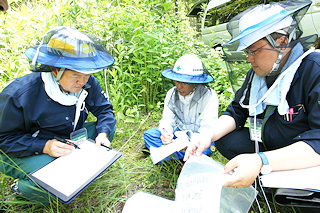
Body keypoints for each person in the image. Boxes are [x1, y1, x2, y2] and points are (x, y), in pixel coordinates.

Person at [184, 0, 320, 194]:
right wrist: (207, 136)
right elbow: (237, 110)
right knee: (225, 138)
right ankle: (263, 184)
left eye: (254, 50)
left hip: (306, 156)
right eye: (247, 51)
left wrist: (261, 160)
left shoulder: (314, 71)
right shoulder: (257, 74)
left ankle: (289, 191)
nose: (249, 58)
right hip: (270, 145)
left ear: (281, 41)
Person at [0, 26, 116, 204]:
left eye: (87, 75)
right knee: (53, 191)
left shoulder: (87, 82)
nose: (82, 82)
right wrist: (44, 146)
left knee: (107, 127)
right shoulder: (19, 94)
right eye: (75, 75)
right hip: (28, 147)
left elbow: (104, 110)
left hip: (67, 138)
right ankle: (22, 188)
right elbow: (4, 139)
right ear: (55, 70)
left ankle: (74, 166)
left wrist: (103, 133)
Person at [144, 54, 218, 163]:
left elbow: (206, 131)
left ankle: (172, 158)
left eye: (184, 82)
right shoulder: (172, 93)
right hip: (178, 136)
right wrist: (166, 134)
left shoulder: (209, 96)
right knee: (150, 134)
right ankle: (184, 159)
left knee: (206, 148)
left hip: (199, 139)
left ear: (195, 82)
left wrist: (190, 143)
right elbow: (167, 120)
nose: (179, 86)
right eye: (177, 81)